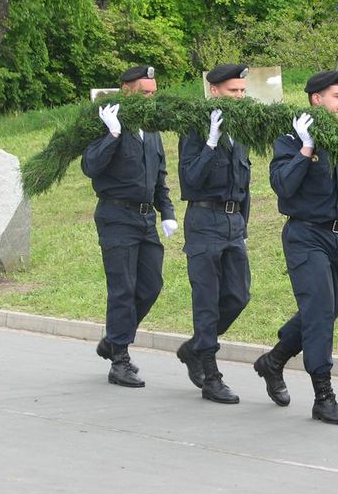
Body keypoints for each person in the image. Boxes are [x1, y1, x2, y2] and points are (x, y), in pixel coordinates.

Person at [254, 70, 338, 425]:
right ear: (316, 99)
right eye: (337, 95)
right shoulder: (290, 139)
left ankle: (274, 360)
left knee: (331, 307)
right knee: (321, 310)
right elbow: (283, 185)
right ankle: (323, 396)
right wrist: (306, 147)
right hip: (305, 235)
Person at [82, 65, 178, 388]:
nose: (151, 98)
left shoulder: (150, 130)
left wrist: (166, 211)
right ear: (126, 90)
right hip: (116, 216)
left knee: (151, 285)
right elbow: (90, 166)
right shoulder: (106, 121)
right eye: (145, 92)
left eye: (154, 92)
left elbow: (159, 175)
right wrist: (112, 134)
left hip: (144, 218)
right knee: (123, 288)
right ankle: (119, 359)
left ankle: (113, 339)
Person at [175, 64, 251, 404]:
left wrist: (243, 226)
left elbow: (243, 185)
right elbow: (190, 180)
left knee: (238, 295)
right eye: (233, 90)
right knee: (206, 300)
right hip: (204, 220)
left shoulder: (239, 131)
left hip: (234, 225)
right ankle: (210, 372)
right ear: (215, 91)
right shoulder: (195, 129)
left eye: (242, 91)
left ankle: (194, 347)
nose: (239, 96)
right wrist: (210, 142)